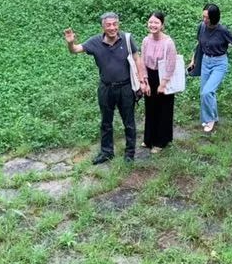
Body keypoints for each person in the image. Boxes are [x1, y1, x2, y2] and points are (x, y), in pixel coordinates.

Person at [63, 12, 146, 164]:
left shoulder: (126, 39)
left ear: (118, 25)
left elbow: (137, 59)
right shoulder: (95, 42)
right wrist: (70, 42)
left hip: (126, 87)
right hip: (106, 88)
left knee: (129, 122)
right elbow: (75, 50)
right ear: (103, 27)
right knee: (106, 122)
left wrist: (142, 80)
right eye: (108, 25)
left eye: (115, 24)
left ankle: (129, 154)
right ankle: (107, 152)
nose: (112, 28)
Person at [187, 4, 232, 133]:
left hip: (219, 63)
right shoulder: (202, 27)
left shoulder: (222, 31)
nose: (204, 19)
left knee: (207, 92)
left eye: (206, 17)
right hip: (205, 62)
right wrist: (194, 60)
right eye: (203, 16)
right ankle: (213, 117)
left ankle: (209, 120)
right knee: (206, 92)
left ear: (214, 18)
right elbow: (199, 44)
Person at [140, 11, 177, 152]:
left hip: (163, 78)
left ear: (162, 25)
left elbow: (171, 64)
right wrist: (145, 81)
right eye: (150, 22)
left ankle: (161, 142)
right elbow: (142, 61)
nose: (153, 25)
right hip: (150, 76)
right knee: (150, 108)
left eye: (156, 22)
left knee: (163, 109)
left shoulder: (168, 42)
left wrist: (163, 83)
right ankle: (148, 139)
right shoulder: (145, 40)